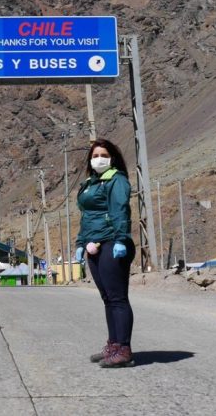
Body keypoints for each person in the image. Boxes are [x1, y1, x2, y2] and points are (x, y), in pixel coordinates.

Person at [75, 138, 136, 368]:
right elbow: (86, 217)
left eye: (104, 155)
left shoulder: (117, 180)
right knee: (107, 298)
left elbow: (120, 210)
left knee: (118, 298)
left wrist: (121, 239)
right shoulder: (90, 183)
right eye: (95, 155)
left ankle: (124, 349)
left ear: (112, 158)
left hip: (112, 243)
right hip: (94, 245)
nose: (99, 159)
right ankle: (112, 345)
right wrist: (81, 243)